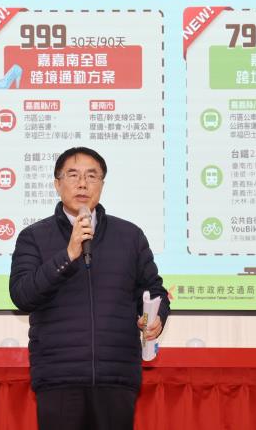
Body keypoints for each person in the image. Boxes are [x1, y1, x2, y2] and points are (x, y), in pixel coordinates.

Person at [10, 147, 170, 430]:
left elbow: (154, 290)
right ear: (57, 184)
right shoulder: (34, 237)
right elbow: (23, 296)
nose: (82, 184)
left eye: (92, 176)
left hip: (116, 376)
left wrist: (156, 318)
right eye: (73, 175)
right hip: (59, 377)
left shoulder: (130, 236)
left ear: (102, 185)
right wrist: (68, 254)